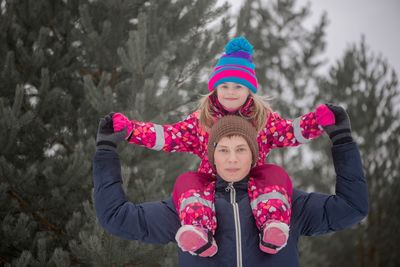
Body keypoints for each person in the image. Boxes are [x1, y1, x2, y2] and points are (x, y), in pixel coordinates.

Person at [109, 36, 336, 256]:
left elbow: (290, 131)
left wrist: (316, 121)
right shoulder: (201, 121)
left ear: (249, 89)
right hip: (213, 184)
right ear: (215, 88)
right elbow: (169, 136)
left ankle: (272, 226)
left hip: (253, 183)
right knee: (187, 181)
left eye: (238, 86)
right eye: (224, 85)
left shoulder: (263, 120)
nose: (230, 92)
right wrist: (131, 130)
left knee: (274, 174)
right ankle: (198, 231)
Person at [93, 104, 368, 267]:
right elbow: (116, 218)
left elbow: (352, 207)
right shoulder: (187, 206)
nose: (233, 159)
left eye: (241, 149)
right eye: (223, 150)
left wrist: (342, 140)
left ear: (254, 154)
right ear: (211, 155)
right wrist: (106, 150)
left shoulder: (287, 203)